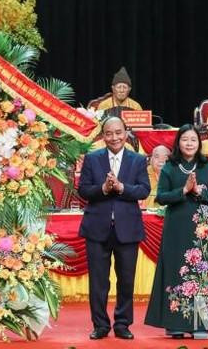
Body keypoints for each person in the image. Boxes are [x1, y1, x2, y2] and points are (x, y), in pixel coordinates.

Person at [145, 125, 208, 339]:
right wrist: (184, 191)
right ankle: (175, 323)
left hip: (201, 228)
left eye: (193, 140)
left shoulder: (207, 167)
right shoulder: (170, 166)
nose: (189, 143)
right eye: (185, 139)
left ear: (199, 144)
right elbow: (161, 197)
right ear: (178, 142)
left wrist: (200, 192)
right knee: (176, 270)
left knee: (201, 272)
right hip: (176, 226)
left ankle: (202, 323)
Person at [78, 117, 150, 340]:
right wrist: (102, 188)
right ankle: (100, 325)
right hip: (97, 229)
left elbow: (144, 190)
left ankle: (122, 324)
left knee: (126, 280)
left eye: (118, 132)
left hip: (127, 229)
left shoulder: (138, 160)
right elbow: (83, 190)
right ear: (103, 136)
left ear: (126, 133)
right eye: (109, 133)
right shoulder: (92, 158)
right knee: (99, 281)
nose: (114, 137)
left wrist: (121, 188)